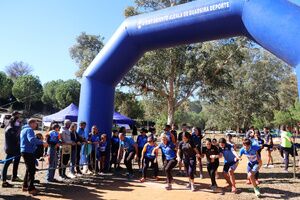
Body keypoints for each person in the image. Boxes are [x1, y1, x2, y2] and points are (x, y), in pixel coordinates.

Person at [20, 118, 47, 195]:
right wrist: (42, 142)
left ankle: (25, 186)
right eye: (35, 123)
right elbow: (31, 140)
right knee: (31, 170)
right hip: (28, 152)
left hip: (25, 151)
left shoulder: (23, 129)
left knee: (29, 169)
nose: (36, 125)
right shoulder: (29, 130)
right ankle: (30, 188)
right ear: (31, 123)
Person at [2, 115, 22, 188]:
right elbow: (15, 139)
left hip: (13, 149)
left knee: (11, 163)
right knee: (6, 164)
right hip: (11, 149)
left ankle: (14, 176)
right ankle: (4, 181)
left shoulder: (12, 128)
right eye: (18, 121)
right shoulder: (11, 129)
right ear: (14, 121)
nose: (19, 123)